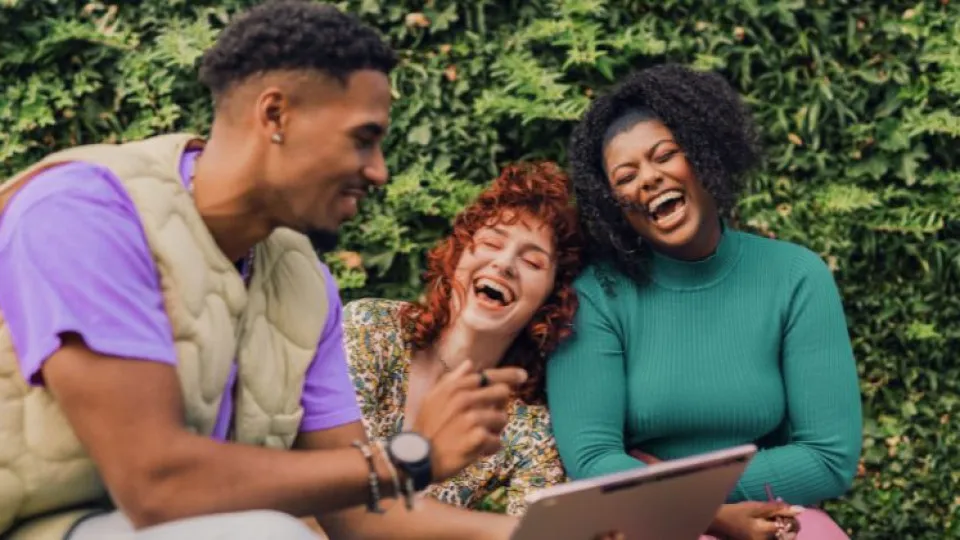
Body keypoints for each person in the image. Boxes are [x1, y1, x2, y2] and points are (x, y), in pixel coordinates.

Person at [0, 2, 526, 539]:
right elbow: (156, 484)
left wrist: (521, 532)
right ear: (275, 115)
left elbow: (358, 512)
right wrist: (410, 457)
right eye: (363, 139)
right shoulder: (86, 213)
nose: (379, 171)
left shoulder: (303, 283)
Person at [548, 64, 862, 540]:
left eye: (665, 155)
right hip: (643, 524)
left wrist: (673, 484)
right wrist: (702, 514)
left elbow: (828, 457)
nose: (648, 179)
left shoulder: (796, 277)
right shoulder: (597, 296)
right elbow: (592, 460)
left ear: (705, 152)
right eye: (626, 176)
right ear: (614, 205)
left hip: (768, 515)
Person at [340, 162, 581, 533]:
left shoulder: (529, 428)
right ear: (458, 256)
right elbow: (336, 497)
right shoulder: (371, 327)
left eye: (532, 261)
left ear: (551, 299)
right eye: (491, 243)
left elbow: (535, 533)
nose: (504, 263)